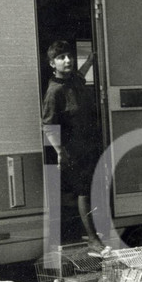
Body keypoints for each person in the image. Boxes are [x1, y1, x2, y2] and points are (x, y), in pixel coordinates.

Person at [41, 40, 106, 253]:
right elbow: (48, 126)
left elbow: (81, 73)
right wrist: (61, 152)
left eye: (69, 56)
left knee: (90, 188)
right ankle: (93, 239)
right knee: (83, 191)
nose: (67, 60)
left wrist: (89, 61)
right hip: (73, 150)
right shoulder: (55, 91)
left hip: (89, 145)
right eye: (61, 58)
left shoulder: (73, 80)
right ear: (52, 63)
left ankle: (94, 234)